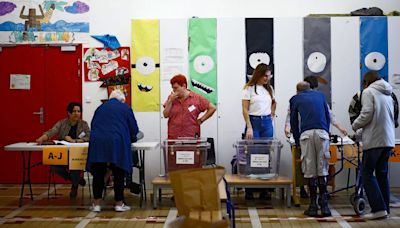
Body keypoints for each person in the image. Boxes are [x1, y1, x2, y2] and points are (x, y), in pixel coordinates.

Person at [86, 90, 139, 212]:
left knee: (99, 172)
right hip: (116, 142)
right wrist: (132, 137)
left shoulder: (100, 108)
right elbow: (134, 129)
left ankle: (97, 204)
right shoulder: (125, 108)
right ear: (122, 100)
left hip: (98, 142)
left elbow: (93, 125)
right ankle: (119, 204)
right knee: (118, 171)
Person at [352, 71, 395, 220]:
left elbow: (367, 114)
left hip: (375, 140)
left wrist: (355, 125)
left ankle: (378, 209)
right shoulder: (388, 93)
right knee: (382, 175)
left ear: (366, 82)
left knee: (367, 174)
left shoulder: (368, 91)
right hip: (388, 140)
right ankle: (385, 209)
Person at [290, 81, 331, 217]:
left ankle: (313, 205)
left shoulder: (295, 99)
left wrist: (297, 141)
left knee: (310, 170)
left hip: (306, 134)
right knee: (322, 169)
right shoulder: (321, 96)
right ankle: (325, 206)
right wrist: (326, 132)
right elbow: (327, 116)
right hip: (322, 133)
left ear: (298, 91)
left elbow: (294, 122)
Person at [36, 102, 90, 199]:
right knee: (53, 167)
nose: (77, 113)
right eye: (74, 111)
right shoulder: (62, 123)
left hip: (77, 155)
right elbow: (52, 131)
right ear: (68, 113)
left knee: (75, 167)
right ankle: (77, 180)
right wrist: (41, 138)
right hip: (63, 154)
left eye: (78, 111)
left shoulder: (84, 124)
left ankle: (75, 186)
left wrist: (75, 141)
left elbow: (89, 136)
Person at [242, 63, 276, 200]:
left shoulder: (270, 89)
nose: (267, 78)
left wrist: (272, 114)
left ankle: (264, 188)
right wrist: (249, 127)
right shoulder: (248, 89)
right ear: (259, 75)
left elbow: (274, 102)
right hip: (253, 122)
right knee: (252, 153)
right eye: (265, 76)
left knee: (265, 154)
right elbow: (244, 109)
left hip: (266, 123)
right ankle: (249, 188)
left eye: (268, 76)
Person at [163, 74, 216, 139]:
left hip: (191, 136)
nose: (174, 90)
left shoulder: (197, 98)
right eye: (173, 88)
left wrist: (201, 120)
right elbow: (165, 115)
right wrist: (170, 100)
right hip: (174, 136)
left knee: (192, 149)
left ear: (184, 86)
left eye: (176, 88)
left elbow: (212, 108)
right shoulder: (171, 98)